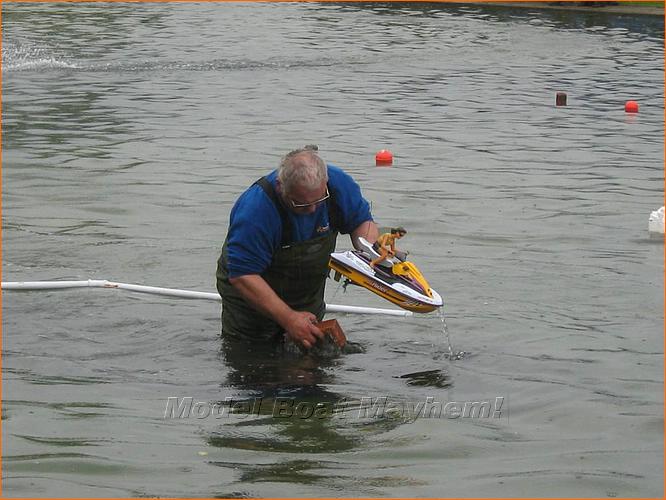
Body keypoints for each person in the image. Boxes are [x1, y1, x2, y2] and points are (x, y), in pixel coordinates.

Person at [217, 146, 378, 350]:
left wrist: (368, 256)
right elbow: (243, 275)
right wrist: (289, 318)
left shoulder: (338, 185)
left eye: (319, 201)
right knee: (253, 363)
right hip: (250, 299)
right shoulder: (256, 210)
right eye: (301, 204)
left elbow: (362, 222)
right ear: (280, 187)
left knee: (312, 362)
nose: (312, 210)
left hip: (306, 294)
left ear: (325, 183)